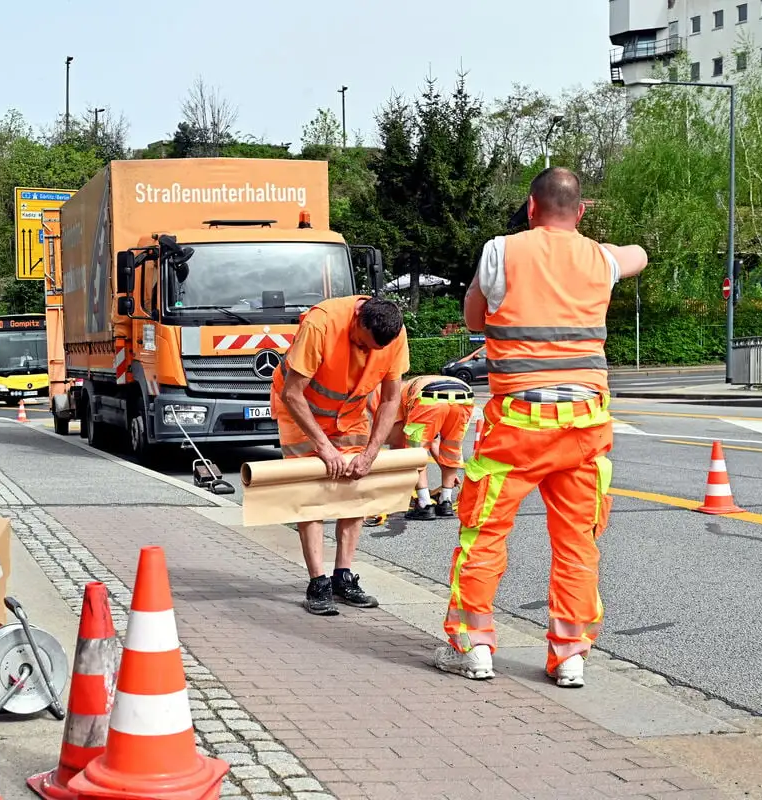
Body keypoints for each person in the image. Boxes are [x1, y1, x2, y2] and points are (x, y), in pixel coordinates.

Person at [433, 167, 648, 689]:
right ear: (579, 211)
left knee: (483, 534)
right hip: (585, 425)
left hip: (517, 423)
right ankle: (569, 654)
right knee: (577, 542)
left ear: (530, 208)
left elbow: (474, 321)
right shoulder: (601, 259)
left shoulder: (501, 251)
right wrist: (599, 246)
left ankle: (475, 647)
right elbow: (637, 254)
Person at [271, 295, 410, 616]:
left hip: (350, 412)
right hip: (299, 414)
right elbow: (292, 392)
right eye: (362, 344)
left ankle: (342, 577)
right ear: (358, 319)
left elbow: (390, 400)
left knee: (354, 489)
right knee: (312, 494)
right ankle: (317, 582)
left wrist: (371, 455)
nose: (366, 353)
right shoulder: (320, 323)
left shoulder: (394, 333)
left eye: (373, 350)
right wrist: (323, 446)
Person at [363, 374, 475, 525]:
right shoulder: (403, 388)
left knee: (415, 452)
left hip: (426, 397)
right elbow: (434, 443)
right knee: (451, 447)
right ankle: (446, 501)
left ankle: (424, 504)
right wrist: (446, 468)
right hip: (464, 396)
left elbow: (397, 442)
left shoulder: (385, 396)